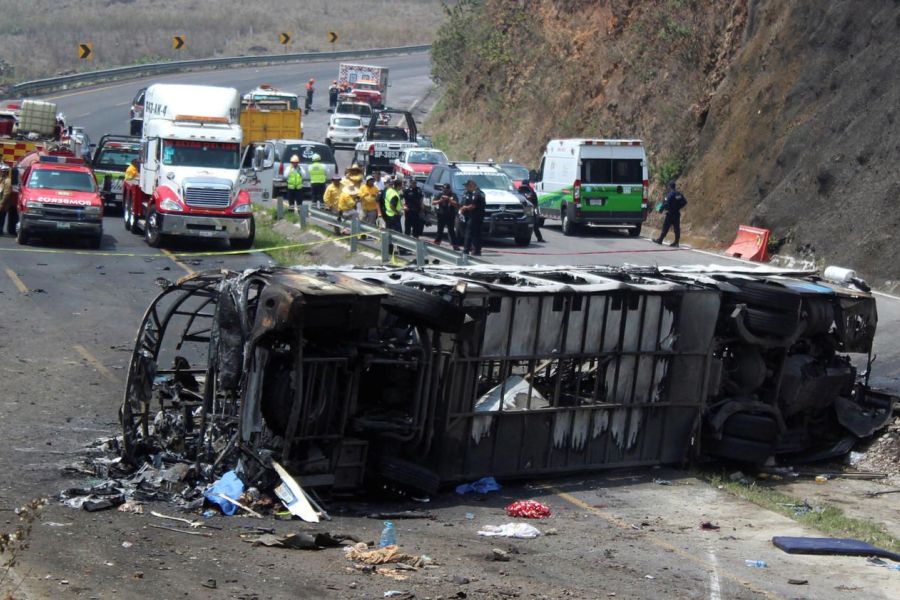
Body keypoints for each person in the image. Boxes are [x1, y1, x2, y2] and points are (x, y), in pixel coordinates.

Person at [653, 180, 687, 247]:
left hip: (670, 214)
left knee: (665, 227)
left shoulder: (669, 195)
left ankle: (660, 240)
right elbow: (685, 202)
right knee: (677, 228)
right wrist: (679, 207)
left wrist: (661, 210)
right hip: (676, 213)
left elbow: (666, 203)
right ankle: (676, 243)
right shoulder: (679, 194)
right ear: (674, 186)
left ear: (670, 187)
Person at [459, 179, 485, 256]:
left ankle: (466, 250)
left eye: (467, 186)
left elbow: (473, 206)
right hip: (470, 216)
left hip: (476, 216)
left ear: (472, 185)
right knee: (475, 234)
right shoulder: (468, 193)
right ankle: (476, 250)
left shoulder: (478, 193)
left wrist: (464, 208)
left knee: (469, 233)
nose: (466, 187)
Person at [433, 183, 460, 249]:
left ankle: (455, 245)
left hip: (450, 215)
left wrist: (449, 199)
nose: (445, 191)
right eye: (444, 189)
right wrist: (441, 200)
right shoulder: (440, 195)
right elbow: (433, 202)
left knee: (451, 231)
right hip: (441, 215)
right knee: (440, 230)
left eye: (447, 189)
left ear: (449, 189)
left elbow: (456, 204)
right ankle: (437, 243)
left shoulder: (453, 195)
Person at [0, 164, 13, 235]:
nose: (1, 172)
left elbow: (6, 194)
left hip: (3, 203)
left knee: (1, 217)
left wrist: (1, 204)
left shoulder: (8, 181)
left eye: (2, 171)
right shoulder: (2, 179)